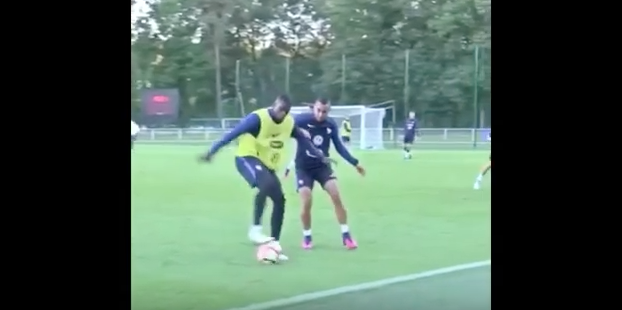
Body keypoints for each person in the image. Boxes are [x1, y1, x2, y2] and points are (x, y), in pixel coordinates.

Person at [200, 95, 327, 261]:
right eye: (276, 107)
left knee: (280, 200)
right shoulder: (257, 119)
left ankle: (274, 245)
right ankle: (255, 229)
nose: (277, 112)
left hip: (267, 165)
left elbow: (303, 139)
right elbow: (232, 134)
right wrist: (212, 151)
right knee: (266, 185)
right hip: (246, 157)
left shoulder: (289, 123)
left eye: (281, 110)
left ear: (286, 113)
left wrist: (319, 155)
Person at [284, 98, 365, 250]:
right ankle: (307, 236)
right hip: (304, 168)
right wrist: (297, 131)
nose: (321, 114)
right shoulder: (301, 120)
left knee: (335, 194)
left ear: (328, 111)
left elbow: (339, 147)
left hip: (322, 166)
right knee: (306, 200)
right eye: (318, 110)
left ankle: (346, 236)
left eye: (324, 111)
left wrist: (355, 163)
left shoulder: (331, 125)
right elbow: (285, 127)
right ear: (313, 108)